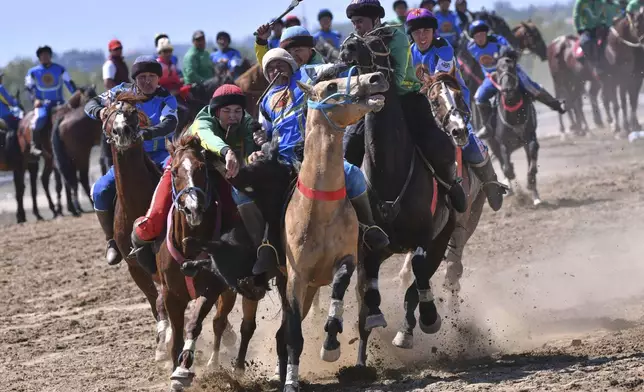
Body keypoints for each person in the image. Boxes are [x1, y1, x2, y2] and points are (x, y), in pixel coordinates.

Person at [246, 48, 390, 254]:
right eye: (270, 67)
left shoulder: (306, 76)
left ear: (291, 66)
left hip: (313, 152)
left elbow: (332, 69)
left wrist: (346, 62)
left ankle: (368, 227)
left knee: (353, 174)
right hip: (282, 159)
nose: (276, 70)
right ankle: (266, 245)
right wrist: (261, 141)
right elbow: (266, 133)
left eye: (281, 64)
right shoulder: (266, 101)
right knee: (263, 191)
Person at [345, 0, 467, 213]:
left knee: (436, 143)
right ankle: (347, 202)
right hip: (371, 106)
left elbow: (400, 79)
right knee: (348, 146)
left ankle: (451, 184)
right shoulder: (354, 41)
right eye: (354, 22)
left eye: (360, 21)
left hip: (407, 99)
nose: (357, 27)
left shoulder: (396, 36)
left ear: (375, 19)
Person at [131, 84, 262, 273]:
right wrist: (227, 151)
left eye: (237, 111)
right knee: (152, 221)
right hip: (182, 170)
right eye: (226, 111)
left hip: (218, 171)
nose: (232, 116)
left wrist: (253, 157)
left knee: (235, 218)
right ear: (216, 112)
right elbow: (207, 137)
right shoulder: (203, 121)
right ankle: (149, 264)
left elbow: (250, 148)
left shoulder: (247, 122)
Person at [406, 8, 505, 211]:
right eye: (416, 32)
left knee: (470, 145)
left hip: (452, 105)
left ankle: (491, 182)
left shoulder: (443, 48)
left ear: (434, 31)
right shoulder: (409, 54)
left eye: (426, 30)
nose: (421, 36)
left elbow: (439, 81)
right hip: (424, 110)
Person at [85, 56, 178, 265]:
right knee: (100, 190)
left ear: (158, 79)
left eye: (152, 77)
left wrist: (142, 135)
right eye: (142, 77)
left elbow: (169, 124)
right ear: (135, 79)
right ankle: (112, 241)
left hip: (160, 155)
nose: (147, 81)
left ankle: (181, 231)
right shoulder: (120, 91)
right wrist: (100, 111)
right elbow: (91, 103)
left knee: (176, 181)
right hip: (128, 158)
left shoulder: (166, 98)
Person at [467, 20, 566, 139]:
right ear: (473, 37)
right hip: (491, 78)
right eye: (477, 36)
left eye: (482, 34)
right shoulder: (471, 47)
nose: (480, 38)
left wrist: (504, 56)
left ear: (486, 34)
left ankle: (556, 104)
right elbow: (481, 64)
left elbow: (510, 54)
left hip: (509, 71)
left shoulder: (498, 40)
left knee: (531, 87)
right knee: (479, 98)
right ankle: (488, 127)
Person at [25, 45, 77, 156]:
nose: (45, 57)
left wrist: (77, 95)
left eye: (47, 55)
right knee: (39, 119)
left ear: (50, 56)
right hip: (42, 105)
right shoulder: (32, 72)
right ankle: (35, 145)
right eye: (42, 55)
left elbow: (70, 84)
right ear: (39, 58)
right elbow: (29, 89)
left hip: (59, 103)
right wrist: (34, 100)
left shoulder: (60, 69)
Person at [255, 25, 324, 68]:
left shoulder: (322, 72)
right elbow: (267, 62)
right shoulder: (284, 71)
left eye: (297, 50)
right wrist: (261, 41)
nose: (293, 56)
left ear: (310, 49)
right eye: (288, 52)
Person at [573, 0, 609, 75]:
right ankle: (594, 65)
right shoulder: (581, 2)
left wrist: (603, 24)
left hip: (599, 29)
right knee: (586, 43)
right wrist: (579, 29)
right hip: (586, 30)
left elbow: (604, 16)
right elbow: (576, 16)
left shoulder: (601, 2)